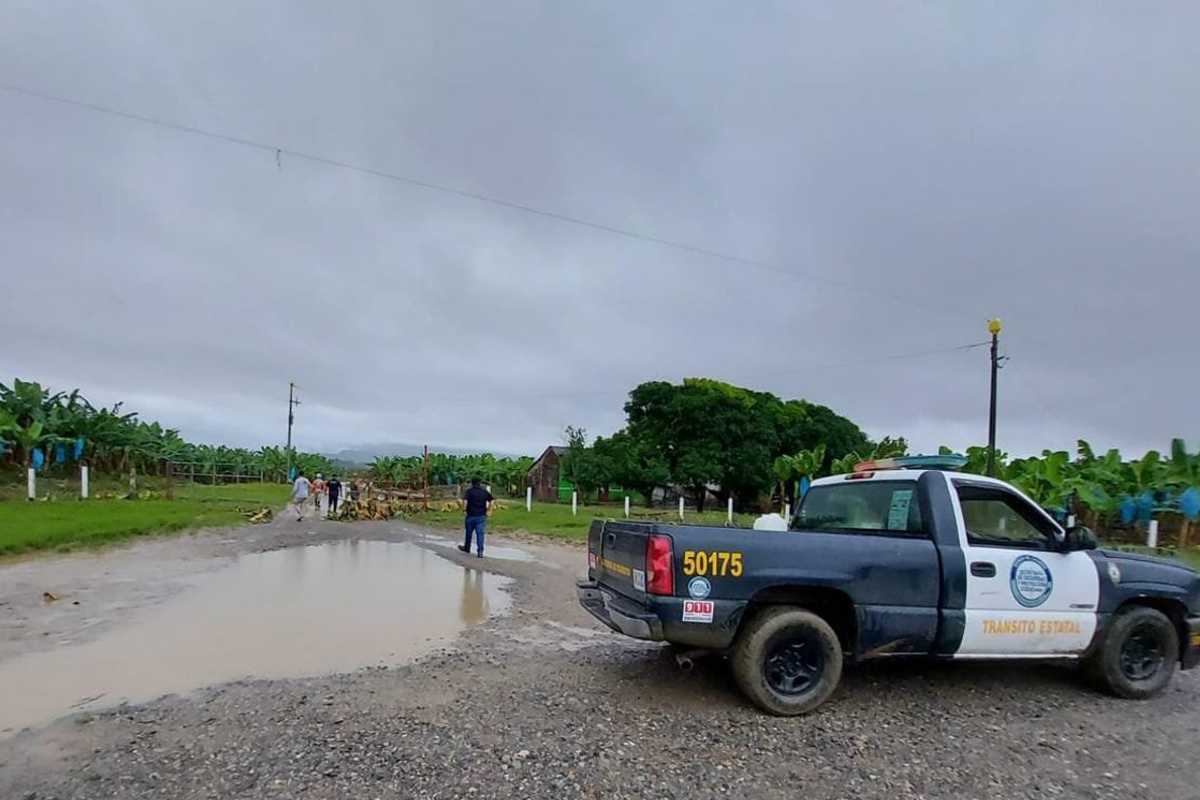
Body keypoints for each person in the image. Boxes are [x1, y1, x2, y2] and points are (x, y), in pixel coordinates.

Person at [458, 478, 493, 558]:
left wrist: (464, 510)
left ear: (472, 483)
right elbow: (492, 500)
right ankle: (480, 552)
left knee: (468, 533)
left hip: (471, 515)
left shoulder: (469, 492)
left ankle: (467, 548)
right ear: (480, 483)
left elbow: (465, 501)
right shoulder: (484, 492)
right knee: (480, 534)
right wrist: (489, 510)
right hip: (481, 516)